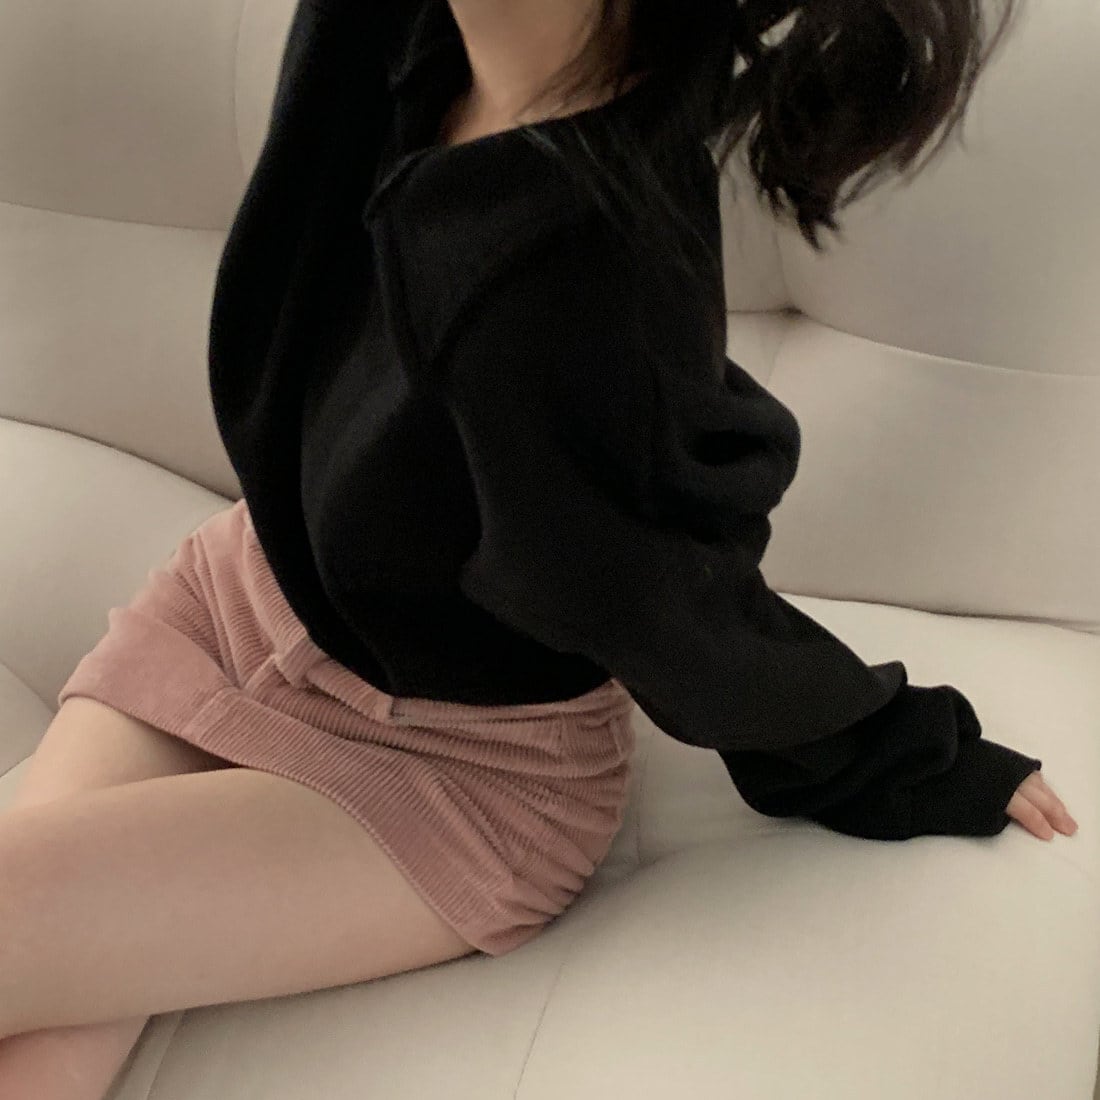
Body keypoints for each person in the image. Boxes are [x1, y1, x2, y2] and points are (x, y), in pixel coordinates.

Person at [0, 1, 1077, 1096]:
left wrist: (896, 750)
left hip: (451, 778)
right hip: (238, 600)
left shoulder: (585, 265)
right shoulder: (385, 32)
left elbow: (666, 600)